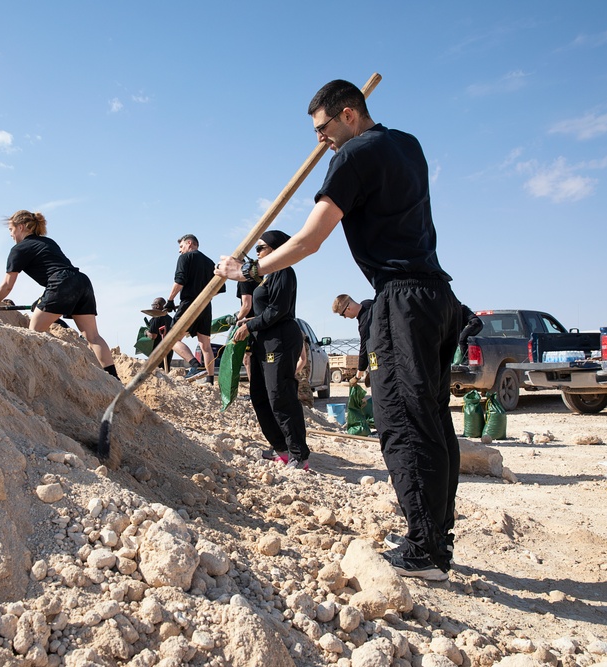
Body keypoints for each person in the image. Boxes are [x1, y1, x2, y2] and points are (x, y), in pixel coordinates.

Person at [217, 79, 461, 581]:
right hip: (437, 295)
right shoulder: (407, 144)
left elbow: (309, 240)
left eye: (323, 129)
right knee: (433, 422)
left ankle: (426, 552)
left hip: (401, 301)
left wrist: (249, 270)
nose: (320, 141)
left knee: (402, 423)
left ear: (349, 115)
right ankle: (436, 535)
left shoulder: (352, 156)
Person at [0, 210, 120, 380]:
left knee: (34, 330)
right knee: (93, 336)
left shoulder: (18, 249)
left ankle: (38, 375)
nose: (11, 235)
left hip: (61, 284)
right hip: (81, 281)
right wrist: (43, 300)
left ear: (20, 227)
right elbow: (56, 270)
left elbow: (7, 285)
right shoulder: (47, 242)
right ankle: (115, 380)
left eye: (11, 230)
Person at [232, 230, 310, 470]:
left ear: (276, 249)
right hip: (262, 341)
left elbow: (278, 309)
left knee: (280, 395)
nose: (257, 253)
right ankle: (281, 449)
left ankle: (299, 454)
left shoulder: (283, 271)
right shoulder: (265, 276)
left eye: (261, 248)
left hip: (280, 339)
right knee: (260, 395)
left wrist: (250, 325)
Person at [166, 234, 222, 379]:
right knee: (205, 345)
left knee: (171, 339)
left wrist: (170, 300)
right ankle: (209, 379)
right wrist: (203, 296)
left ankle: (195, 366)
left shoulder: (185, 258)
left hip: (189, 303)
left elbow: (180, 281)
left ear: (189, 243)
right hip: (206, 305)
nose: (180, 251)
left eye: (181, 246)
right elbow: (219, 289)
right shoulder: (210, 262)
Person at [333, 294, 374, 384]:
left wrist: (357, 377)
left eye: (342, 314)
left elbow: (364, 349)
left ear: (348, 308)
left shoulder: (364, 324)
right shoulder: (368, 303)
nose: (344, 317)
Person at [143, 297, 174, 371]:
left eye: (153, 305)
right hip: (169, 349)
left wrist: (146, 332)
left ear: (157, 306)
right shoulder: (170, 319)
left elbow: (153, 336)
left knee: (158, 372)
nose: (152, 307)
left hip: (158, 350)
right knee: (166, 371)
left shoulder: (157, 317)